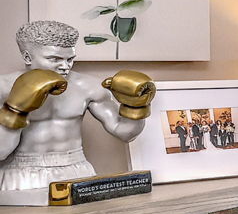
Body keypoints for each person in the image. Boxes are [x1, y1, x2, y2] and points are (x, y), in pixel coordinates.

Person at [0, 20, 156, 204]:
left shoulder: (87, 86)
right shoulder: (4, 87)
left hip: (77, 170)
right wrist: (15, 109)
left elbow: (124, 133)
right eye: (55, 59)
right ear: (27, 57)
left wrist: (136, 107)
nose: (65, 66)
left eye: (70, 59)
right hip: (21, 173)